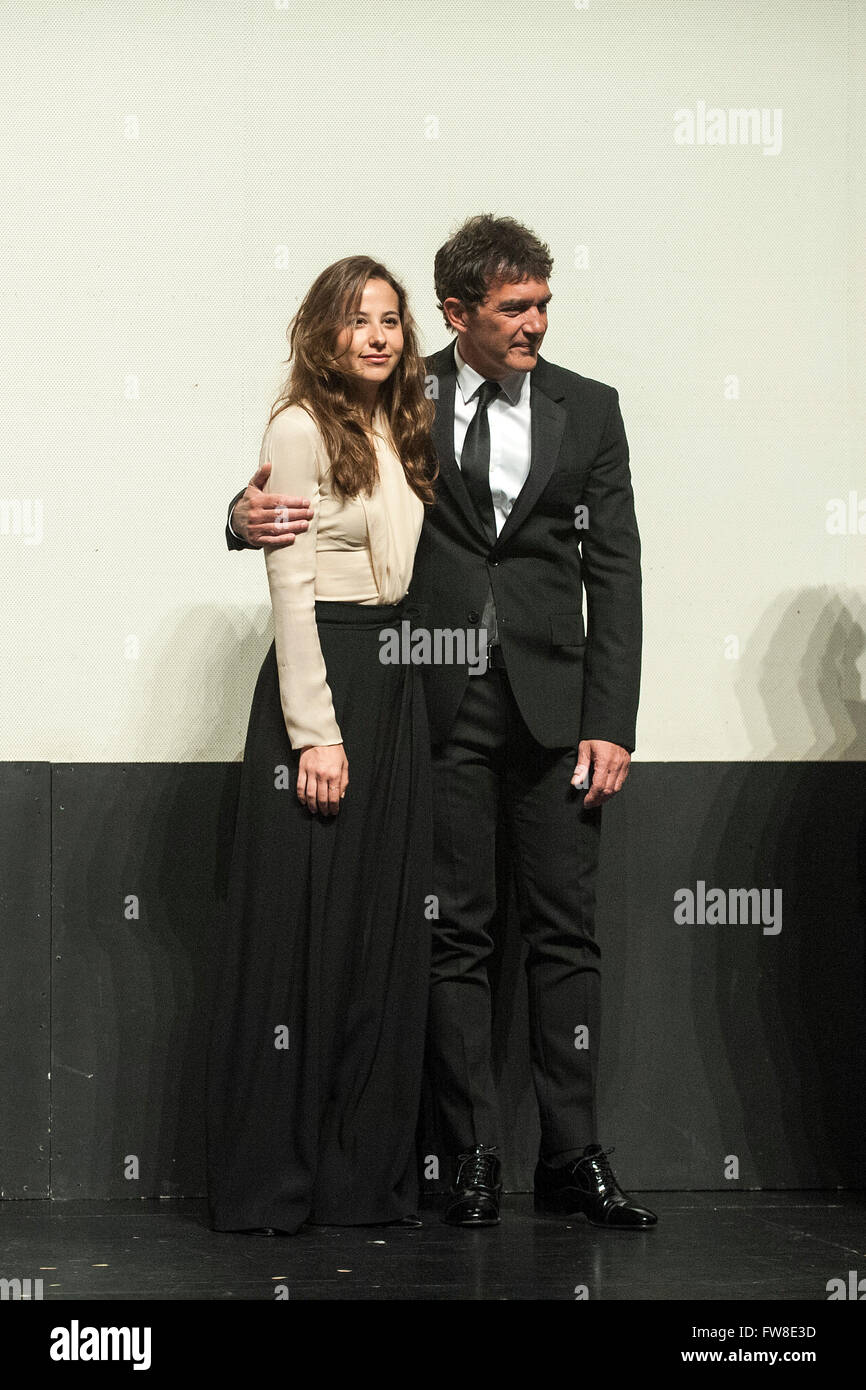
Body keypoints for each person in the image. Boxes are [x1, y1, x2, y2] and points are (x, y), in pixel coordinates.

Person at [226, 216, 657, 1231]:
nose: (535, 325)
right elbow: (313, 476)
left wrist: (613, 717)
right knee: (452, 932)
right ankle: (466, 1156)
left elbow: (617, 569)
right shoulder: (400, 391)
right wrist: (236, 517)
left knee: (562, 932)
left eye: (544, 305)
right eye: (514, 308)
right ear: (457, 313)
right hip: (433, 702)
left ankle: (573, 1153)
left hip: (557, 714)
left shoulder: (587, 409)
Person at [206, 256, 438, 1235]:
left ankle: (358, 1182)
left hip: (397, 689)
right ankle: (277, 1183)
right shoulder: (298, 428)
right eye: (358, 321)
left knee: (376, 941)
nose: (379, 335)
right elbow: (289, 588)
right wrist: (314, 735)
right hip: (326, 684)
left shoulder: (407, 426)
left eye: (391, 319)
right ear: (322, 332)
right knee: (302, 939)